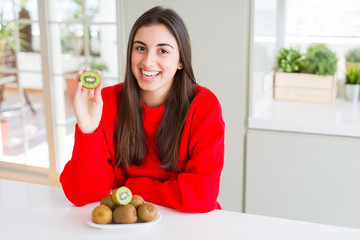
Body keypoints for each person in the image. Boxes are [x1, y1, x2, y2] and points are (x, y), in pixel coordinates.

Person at [60, 6, 225, 213]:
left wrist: (132, 186)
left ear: (181, 60)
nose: (147, 61)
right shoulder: (107, 101)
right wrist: (87, 128)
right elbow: (81, 193)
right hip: (128, 223)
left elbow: (201, 196)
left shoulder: (203, 105)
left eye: (162, 51)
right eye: (140, 48)